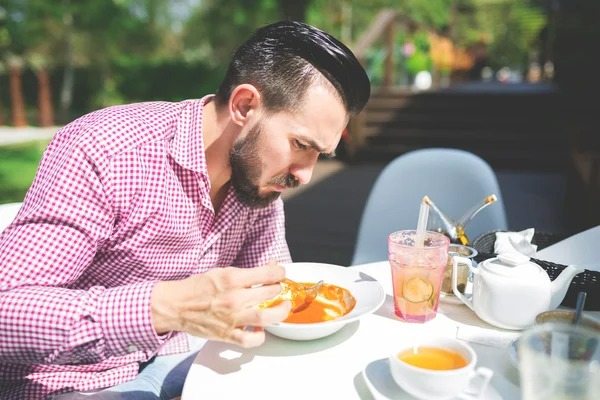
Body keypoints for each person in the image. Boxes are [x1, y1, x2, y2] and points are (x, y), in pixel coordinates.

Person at [0, 20, 370, 399]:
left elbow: (272, 291)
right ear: (245, 106)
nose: (305, 174)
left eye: (319, 155)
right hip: (71, 380)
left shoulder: (257, 178)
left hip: (187, 358)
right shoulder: (108, 150)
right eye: (300, 145)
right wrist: (163, 308)